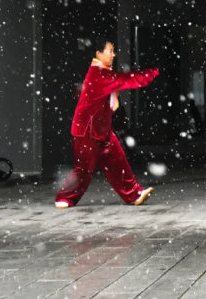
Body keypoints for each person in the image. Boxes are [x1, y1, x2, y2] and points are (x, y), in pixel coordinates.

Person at [54, 38, 159, 208]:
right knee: (84, 169)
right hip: (87, 131)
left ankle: (133, 194)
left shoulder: (102, 72)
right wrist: (151, 73)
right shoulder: (98, 74)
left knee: (118, 161)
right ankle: (64, 197)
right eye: (110, 51)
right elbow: (125, 79)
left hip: (101, 130)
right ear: (98, 54)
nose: (113, 54)